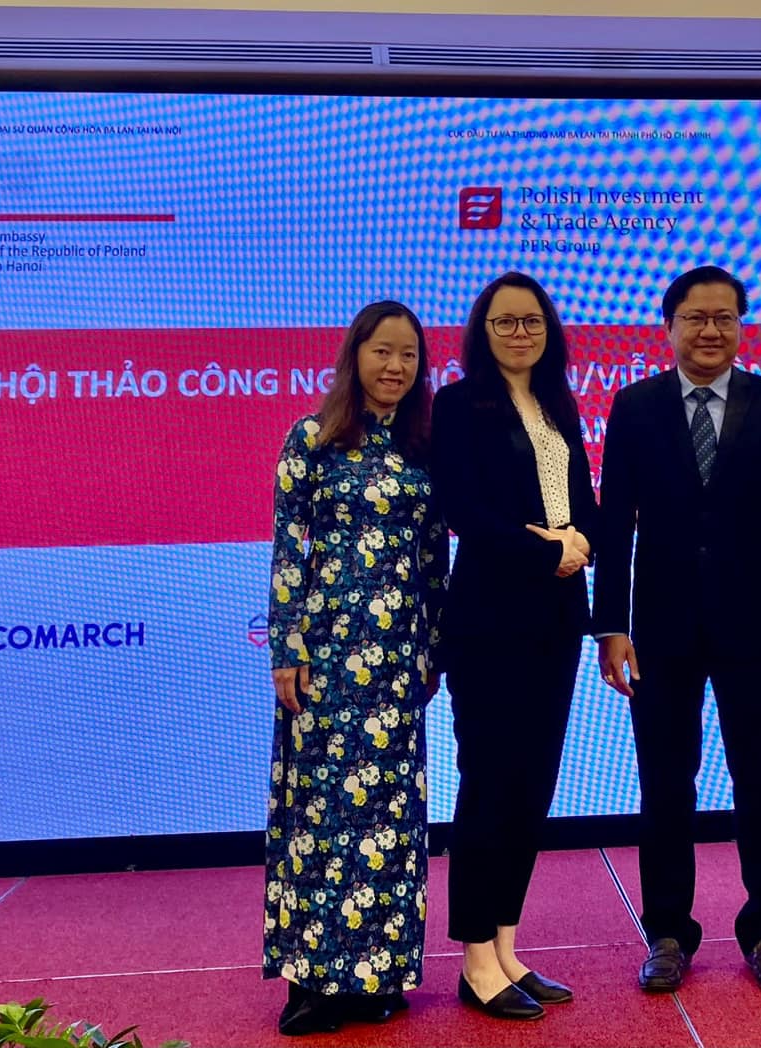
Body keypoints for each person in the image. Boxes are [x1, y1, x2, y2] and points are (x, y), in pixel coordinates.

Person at [594, 266, 761, 995]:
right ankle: (668, 931)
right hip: (660, 626)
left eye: (725, 317)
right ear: (669, 327)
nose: (710, 331)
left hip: (755, 623)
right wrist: (610, 625)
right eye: (695, 318)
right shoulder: (634, 406)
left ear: (741, 326)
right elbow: (614, 523)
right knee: (665, 781)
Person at [264, 300, 445, 1035]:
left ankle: (377, 974)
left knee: (388, 817)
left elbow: (434, 557)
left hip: (398, 659)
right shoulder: (312, 437)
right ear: (354, 357)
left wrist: (434, 648)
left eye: (409, 354)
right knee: (322, 814)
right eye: (382, 351)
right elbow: (288, 547)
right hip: (328, 655)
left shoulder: (425, 446)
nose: (395, 366)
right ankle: (312, 982)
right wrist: (287, 647)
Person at [431, 271, 599, 1021]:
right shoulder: (459, 404)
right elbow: (462, 508)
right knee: (490, 783)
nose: (520, 333)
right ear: (483, 330)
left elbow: (582, 501)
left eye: (531, 321)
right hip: (490, 617)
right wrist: (546, 551)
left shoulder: (558, 402)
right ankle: (474, 960)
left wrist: (584, 541)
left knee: (532, 785)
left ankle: (505, 945)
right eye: (505, 322)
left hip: (556, 617)